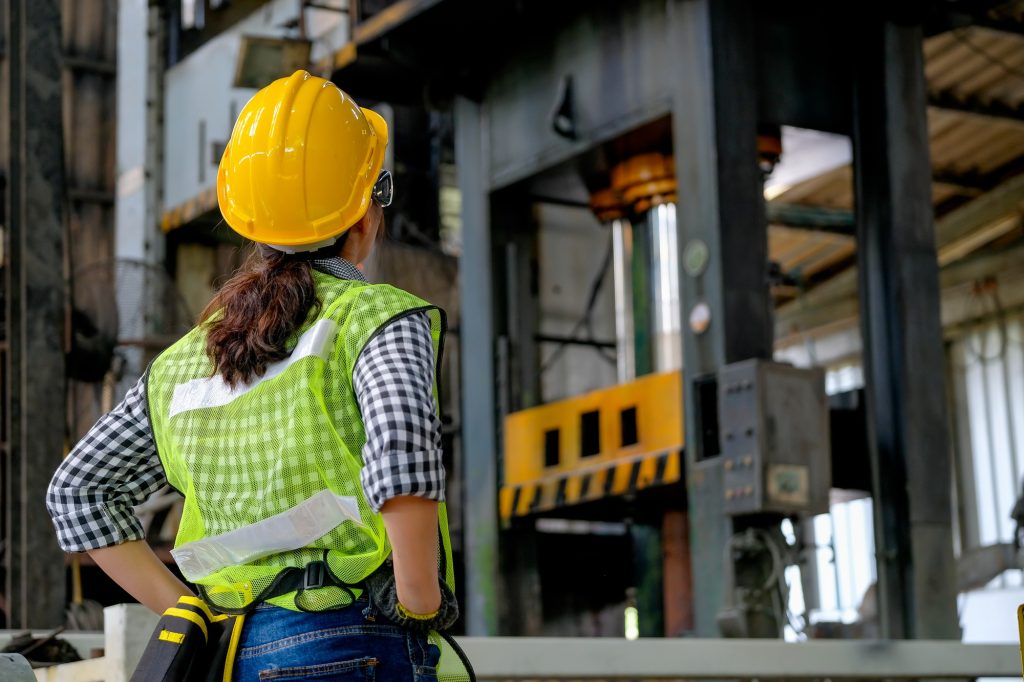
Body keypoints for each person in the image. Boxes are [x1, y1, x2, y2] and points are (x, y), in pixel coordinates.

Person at [47, 70, 457, 681]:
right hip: (352, 641)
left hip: (230, 658)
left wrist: (187, 617)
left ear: (248, 222)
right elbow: (400, 448)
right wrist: (419, 600)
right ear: (363, 214)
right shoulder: (377, 318)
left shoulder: (186, 359)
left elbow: (77, 492)